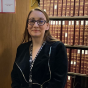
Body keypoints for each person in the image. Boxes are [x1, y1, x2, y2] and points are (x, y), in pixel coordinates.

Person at [11, 7, 68, 88]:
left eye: (41, 21)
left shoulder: (58, 48)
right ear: (27, 25)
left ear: (47, 26)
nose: (35, 25)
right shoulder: (21, 48)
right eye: (32, 21)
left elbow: (58, 82)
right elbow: (15, 78)